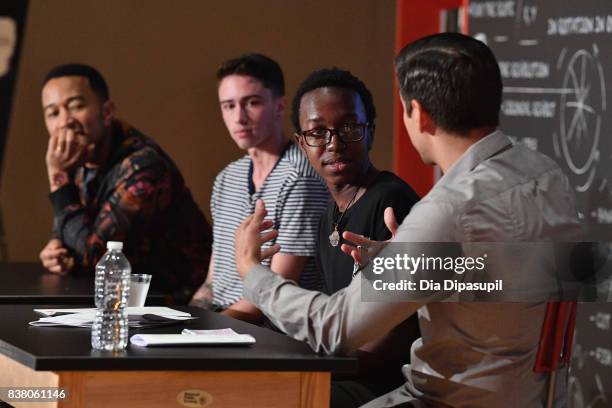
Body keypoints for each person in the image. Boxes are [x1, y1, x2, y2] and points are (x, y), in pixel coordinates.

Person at [234, 33, 581, 407]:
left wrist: (253, 271)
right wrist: (417, 261)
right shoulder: (548, 176)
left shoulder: (448, 209)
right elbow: (553, 274)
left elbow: (334, 328)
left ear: (420, 114)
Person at [291, 67, 420, 407]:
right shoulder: (325, 219)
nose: (335, 143)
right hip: (347, 370)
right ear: (301, 143)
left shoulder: (391, 202)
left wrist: (326, 370)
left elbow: (401, 329)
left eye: (349, 128)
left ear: (370, 132)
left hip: (389, 382)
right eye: (318, 132)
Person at [39, 63, 212, 304]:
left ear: (107, 112)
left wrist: (57, 176)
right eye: (53, 113)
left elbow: (98, 256)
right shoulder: (80, 158)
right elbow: (73, 231)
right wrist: (57, 248)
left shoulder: (144, 166)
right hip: (114, 298)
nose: (65, 122)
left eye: (76, 106)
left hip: (172, 304)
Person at [189, 54, 329, 323]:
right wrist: (185, 322)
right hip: (224, 323)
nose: (238, 117)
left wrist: (201, 332)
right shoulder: (227, 178)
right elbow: (212, 282)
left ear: (280, 106)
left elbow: (273, 296)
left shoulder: (300, 179)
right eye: (228, 106)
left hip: (270, 335)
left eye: (251, 103)